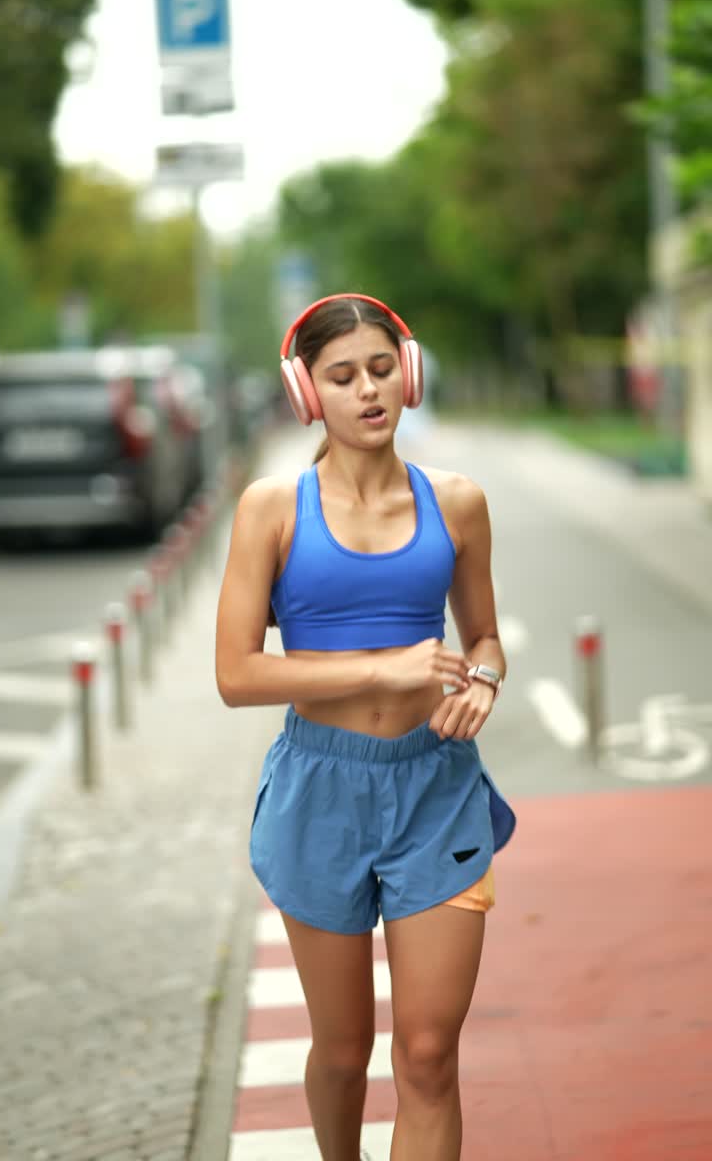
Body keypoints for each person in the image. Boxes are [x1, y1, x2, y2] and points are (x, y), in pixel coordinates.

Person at [215, 294, 516, 1161]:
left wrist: (485, 676)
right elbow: (236, 674)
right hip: (320, 790)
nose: (367, 391)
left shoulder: (457, 503)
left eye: (382, 369)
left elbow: (484, 633)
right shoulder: (270, 509)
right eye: (342, 377)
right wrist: (385, 668)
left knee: (427, 1054)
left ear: (408, 372)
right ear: (307, 393)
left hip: (437, 789)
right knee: (343, 1053)